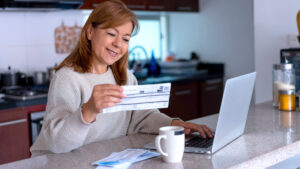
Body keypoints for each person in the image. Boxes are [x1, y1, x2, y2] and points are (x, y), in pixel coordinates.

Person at [30, 0, 213, 157]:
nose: (118, 44)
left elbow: (142, 117)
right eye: (111, 34)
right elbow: (57, 145)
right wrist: (89, 110)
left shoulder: (124, 76)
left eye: (125, 39)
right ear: (90, 32)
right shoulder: (68, 78)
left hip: (105, 158)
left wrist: (176, 124)